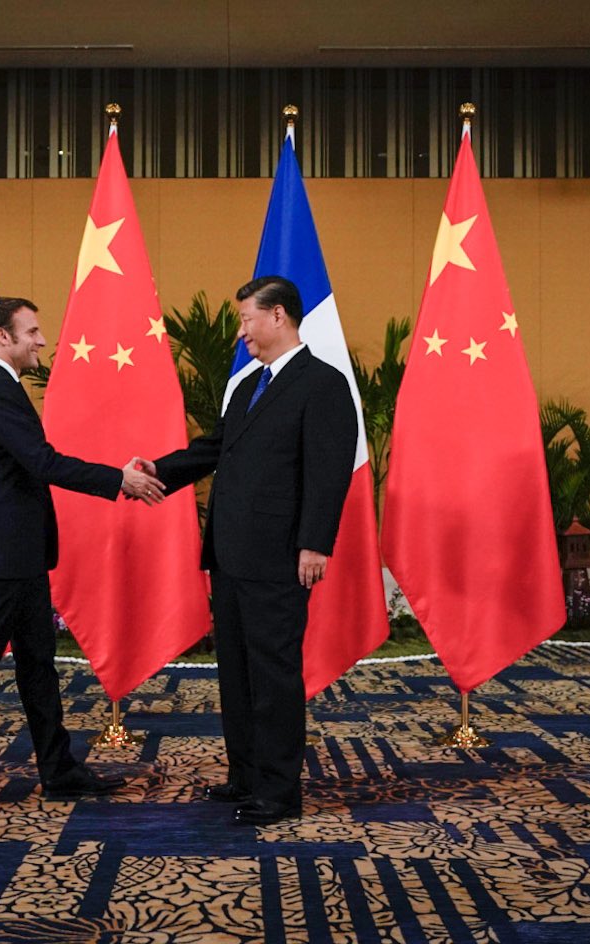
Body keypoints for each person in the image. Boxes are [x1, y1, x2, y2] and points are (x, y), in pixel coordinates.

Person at [0, 295, 167, 810]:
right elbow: (43, 463)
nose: (42, 341)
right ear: (2, 336)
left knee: (38, 664)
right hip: (4, 555)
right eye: (32, 332)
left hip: (17, 553)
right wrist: (120, 481)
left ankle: (58, 767)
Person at [150, 275, 356, 825]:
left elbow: (329, 472)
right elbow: (215, 449)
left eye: (246, 319)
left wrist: (315, 543)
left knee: (273, 674)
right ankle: (244, 774)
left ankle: (279, 790)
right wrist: (156, 473)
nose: (241, 330)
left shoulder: (323, 384)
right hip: (231, 553)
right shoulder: (248, 387)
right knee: (236, 672)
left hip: (281, 556)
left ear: (279, 317)